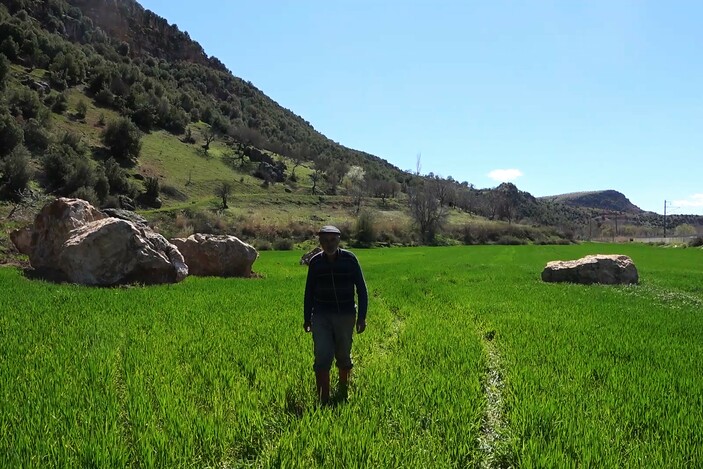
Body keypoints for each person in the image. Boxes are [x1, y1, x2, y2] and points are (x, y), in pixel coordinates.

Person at [304, 225, 368, 404]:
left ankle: (343, 391)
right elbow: (309, 291)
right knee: (322, 356)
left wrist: (362, 316)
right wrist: (306, 317)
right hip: (321, 316)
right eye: (325, 240)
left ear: (339, 240)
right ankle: (323, 399)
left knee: (343, 354)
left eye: (332, 239)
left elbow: (362, 289)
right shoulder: (316, 262)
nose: (329, 243)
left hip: (345, 315)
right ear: (320, 242)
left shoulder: (350, 260)